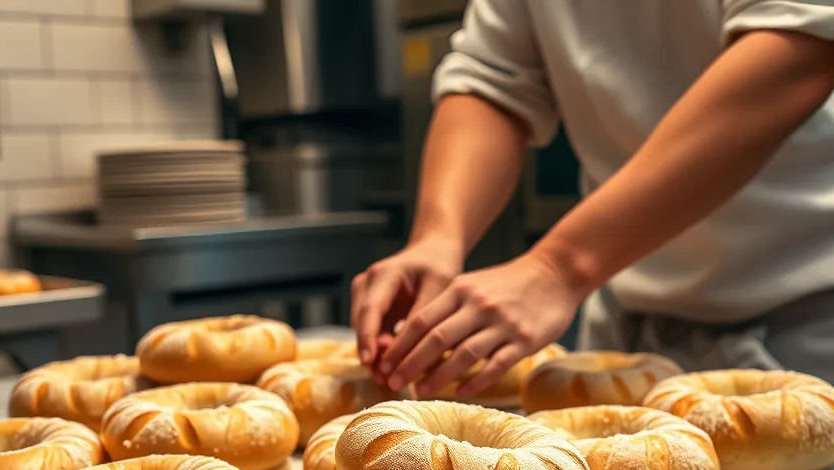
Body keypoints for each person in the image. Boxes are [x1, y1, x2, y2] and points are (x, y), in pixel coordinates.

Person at [352, 1, 834, 398]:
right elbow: (492, 81)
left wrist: (557, 268)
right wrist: (438, 236)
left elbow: (799, 48)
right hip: (629, 326)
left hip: (804, 323)